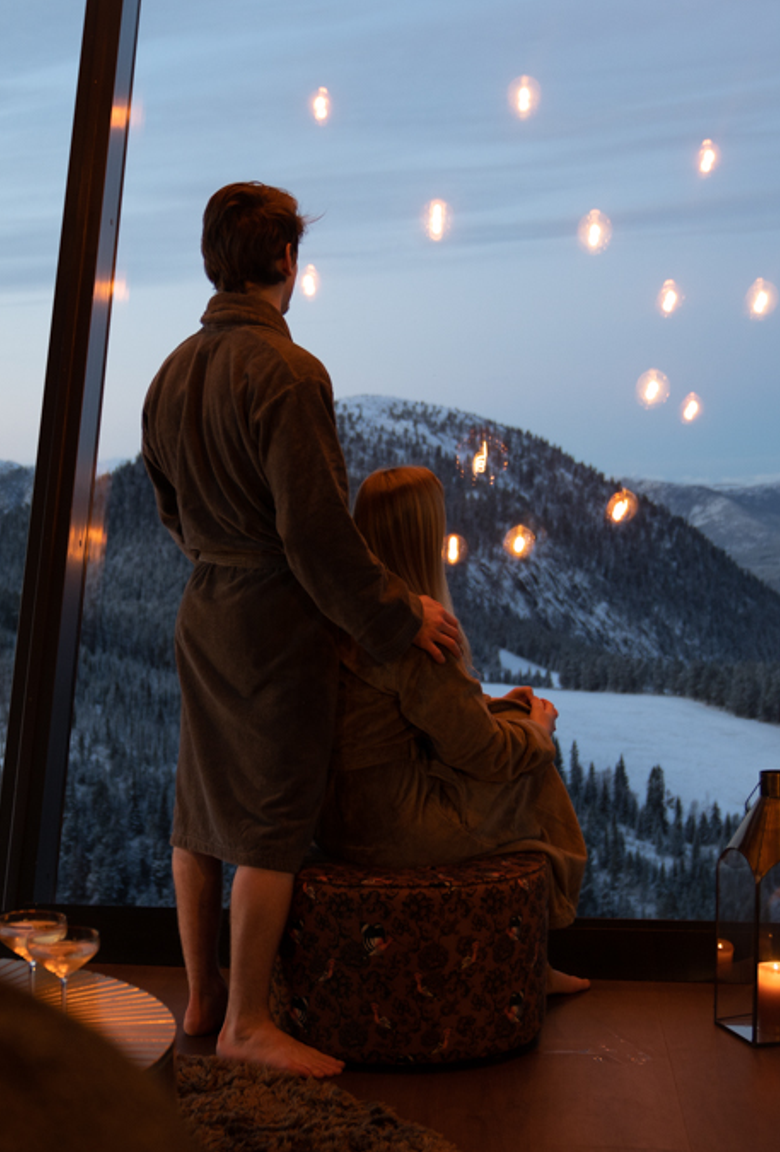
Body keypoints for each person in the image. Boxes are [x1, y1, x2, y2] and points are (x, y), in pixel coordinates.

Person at [141, 182, 462, 1077]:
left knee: (199, 811)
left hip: (204, 607)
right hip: (274, 619)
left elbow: (169, 510)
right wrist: (401, 617)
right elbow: (316, 535)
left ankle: (201, 995)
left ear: (215, 261)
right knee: (270, 822)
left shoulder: (168, 375)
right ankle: (247, 1022)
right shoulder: (289, 373)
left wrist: (219, 553)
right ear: (286, 261)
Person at [320, 465, 590, 995]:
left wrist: (507, 706)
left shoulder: (349, 615)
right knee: (533, 769)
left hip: (337, 815)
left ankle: (534, 955)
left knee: (517, 725)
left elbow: (430, 713)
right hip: (394, 823)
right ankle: (538, 954)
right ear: (425, 535)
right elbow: (482, 752)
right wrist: (539, 732)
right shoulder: (418, 630)